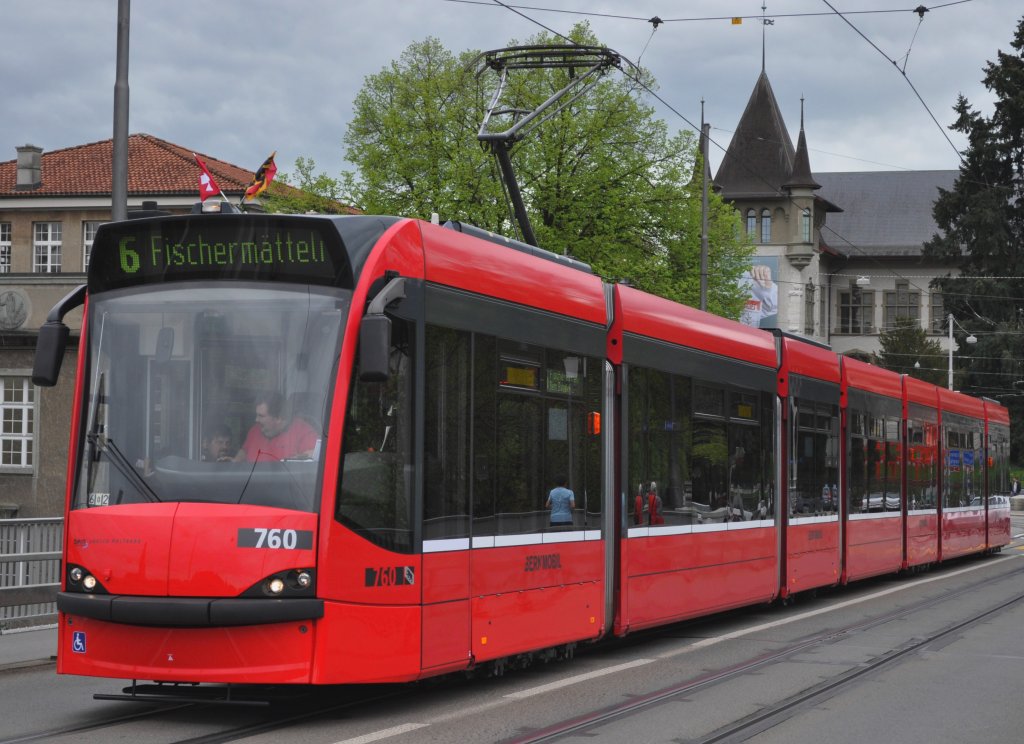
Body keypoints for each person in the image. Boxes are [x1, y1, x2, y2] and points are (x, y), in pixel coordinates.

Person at [235, 391, 318, 462]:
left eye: (261, 416)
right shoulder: (255, 431)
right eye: (257, 415)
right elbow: (244, 452)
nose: (256, 420)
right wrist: (234, 462)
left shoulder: (305, 433)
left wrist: (292, 461)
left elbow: (310, 457)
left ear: (279, 418)